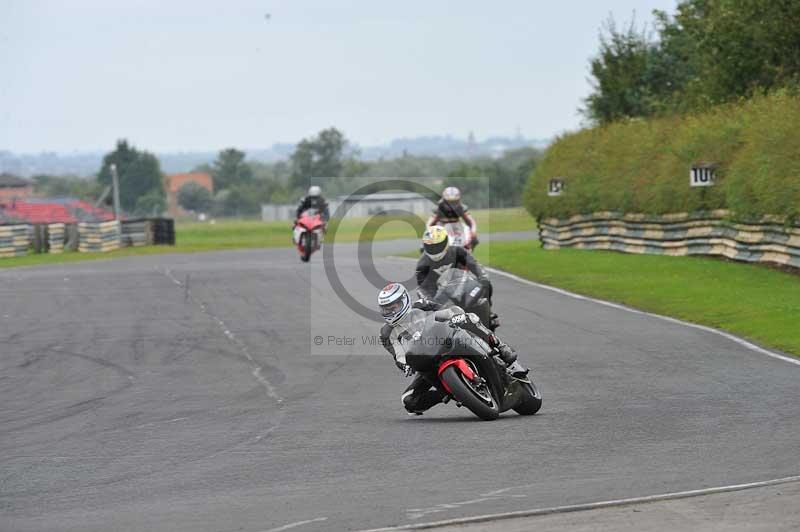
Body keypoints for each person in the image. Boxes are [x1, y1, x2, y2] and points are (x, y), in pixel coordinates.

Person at [377, 282, 523, 415]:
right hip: (425, 359)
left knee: (469, 317)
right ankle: (450, 392)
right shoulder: (386, 333)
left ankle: (500, 346)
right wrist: (405, 364)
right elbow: (397, 354)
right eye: (386, 309)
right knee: (408, 400)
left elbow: (444, 310)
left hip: (446, 339)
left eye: (393, 307)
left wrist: (455, 314)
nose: (390, 312)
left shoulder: (420, 305)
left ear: (404, 301)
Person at [415, 225, 492, 302]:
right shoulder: (422, 265)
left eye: (437, 246)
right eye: (430, 247)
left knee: (487, 284)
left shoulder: (457, 251)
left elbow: (474, 264)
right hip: (440, 296)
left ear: (446, 241)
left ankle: (489, 311)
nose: (434, 249)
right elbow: (422, 288)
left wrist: (482, 277)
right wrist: (431, 301)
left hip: (463, 285)